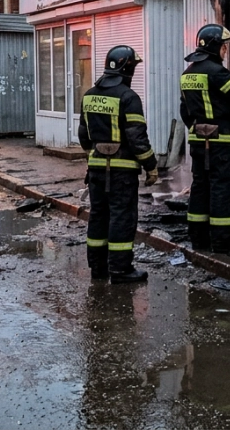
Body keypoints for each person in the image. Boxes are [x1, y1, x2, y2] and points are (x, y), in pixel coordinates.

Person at [78, 45, 159, 283]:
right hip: (122, 173)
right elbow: (137, 139)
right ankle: (121, 270)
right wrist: (151, 166)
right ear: (127, 68)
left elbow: (84, 137)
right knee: (121, 217)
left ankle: (98, 268)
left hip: (95, 170)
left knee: (99, 216)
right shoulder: (128, 97)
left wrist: (95, 158)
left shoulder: (90, 94)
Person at [180, 24, 230, 253]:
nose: (226, 52)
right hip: (219, 143)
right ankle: (223, 241)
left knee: (200, 187)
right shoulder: (216, 72)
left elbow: (184, 110)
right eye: (224, 47)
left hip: (198, 142)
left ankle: (199, 239)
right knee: (222, 189)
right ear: (216, 47)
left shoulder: (188, 74)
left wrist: (199, 128)